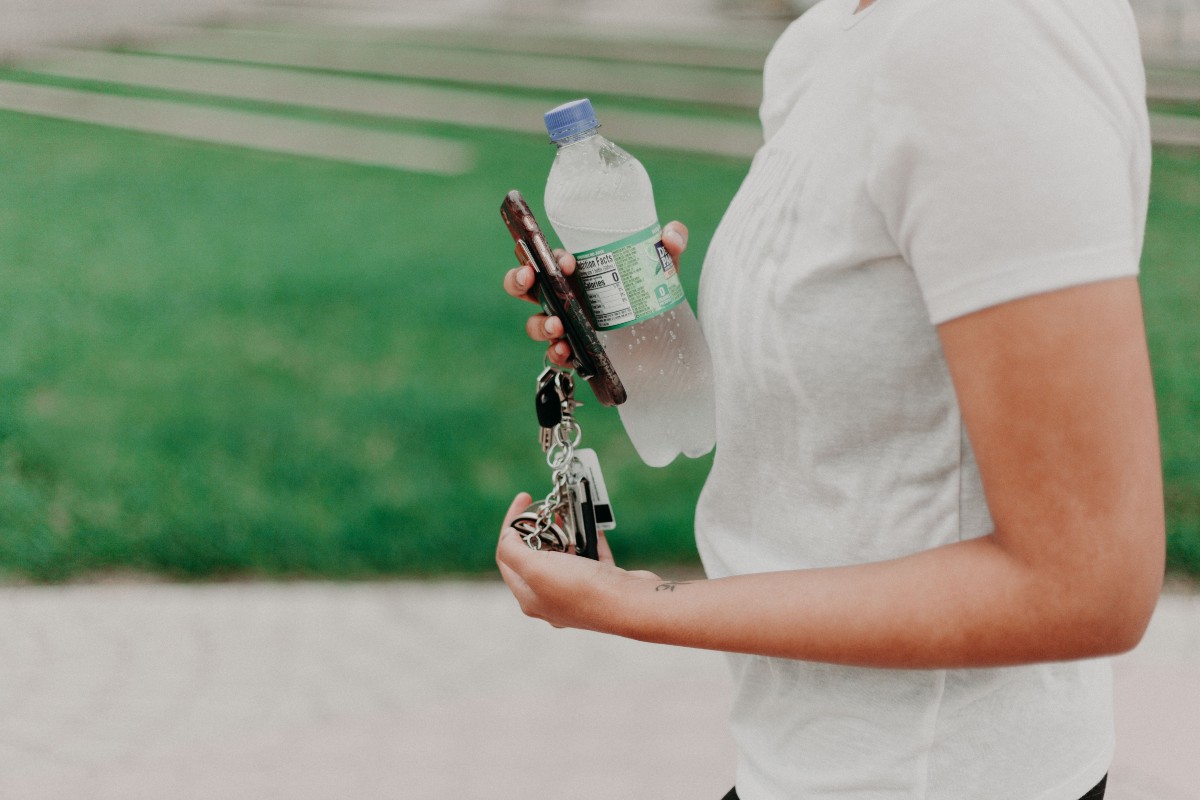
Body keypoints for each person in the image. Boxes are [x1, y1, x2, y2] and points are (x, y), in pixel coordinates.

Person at [497, 0, 1165, 797]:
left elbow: (1088, 586)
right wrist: (643, 332)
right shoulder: (825, 43)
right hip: (800, 763)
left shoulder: (989, 32)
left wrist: (640, 604)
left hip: (934, 775)